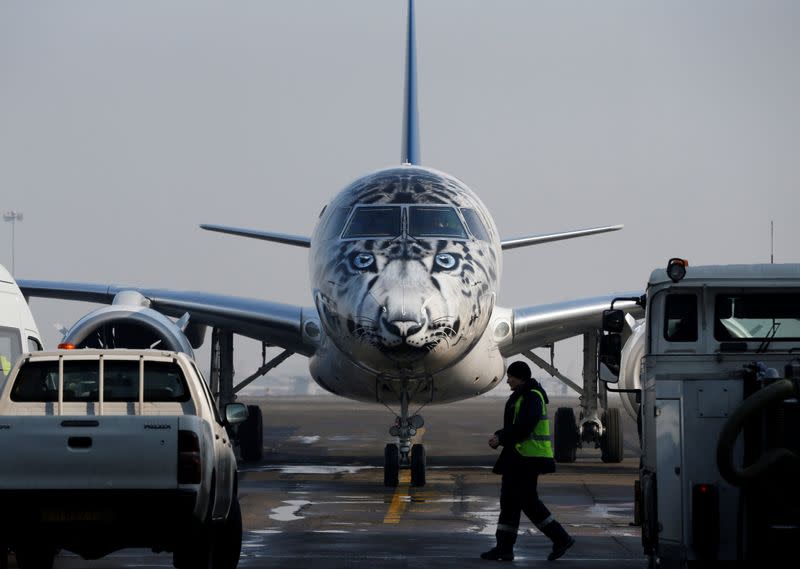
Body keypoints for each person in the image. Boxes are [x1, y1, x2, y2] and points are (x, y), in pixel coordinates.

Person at [481, 361, 575, 561]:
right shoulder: (520, 396)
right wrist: (501, 436)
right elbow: (515, 425)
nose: (508, 381)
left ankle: (561, 537)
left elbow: (524, 427)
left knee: (527, 501)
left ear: (520, 377)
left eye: (511, 377)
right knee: (509, 502)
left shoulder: (532, 396)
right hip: (517, 457)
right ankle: (504, 547)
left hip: (529, 458)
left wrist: (501, 438)